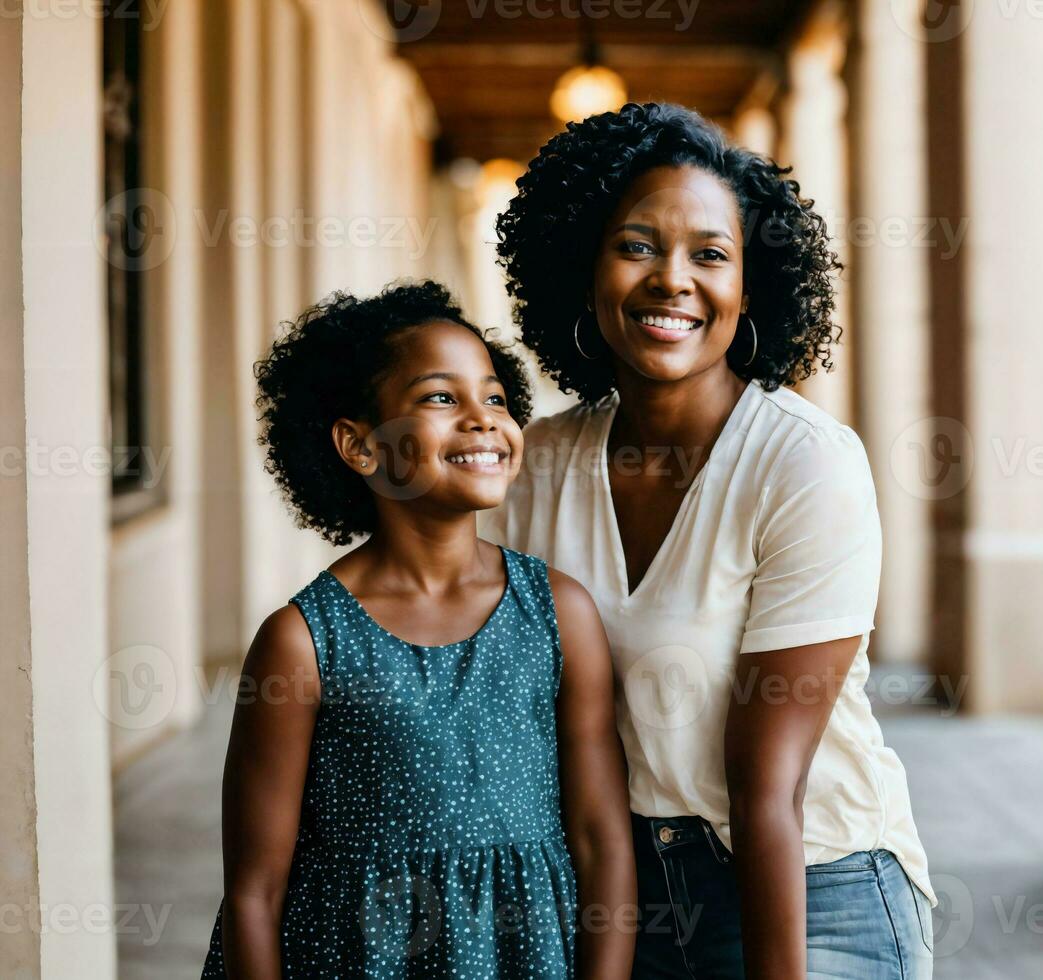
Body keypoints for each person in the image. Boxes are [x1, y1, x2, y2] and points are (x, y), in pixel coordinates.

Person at [484, 103, 935, 978]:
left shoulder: (803, 465)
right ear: (581, 267)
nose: (671, 280)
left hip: (814, 883)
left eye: (710, 254)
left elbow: (770, 787)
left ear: (750, 285)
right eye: (636, 246)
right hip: (615, 888)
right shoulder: (533, 467)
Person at [200, 280, 636, 978]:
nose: (481, 418)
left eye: (494, 397)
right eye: (441, 397)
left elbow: (601, 843)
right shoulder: (303, 642)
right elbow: (255, 891)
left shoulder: (558, 613)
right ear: (359, 445)